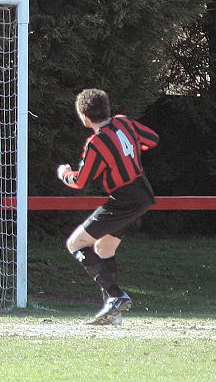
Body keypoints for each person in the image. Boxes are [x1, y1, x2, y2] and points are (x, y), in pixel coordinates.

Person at [57, 88, 158, 325]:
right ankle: (114, 315)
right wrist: (129, 153)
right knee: (104, 248)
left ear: (84, 117)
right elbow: (152, 139)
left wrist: (64, 173)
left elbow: (80, 181)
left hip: (124, 199)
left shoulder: (96, 142)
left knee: (75, 243)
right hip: (144, 193)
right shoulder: (125, 122)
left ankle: (115, 297)